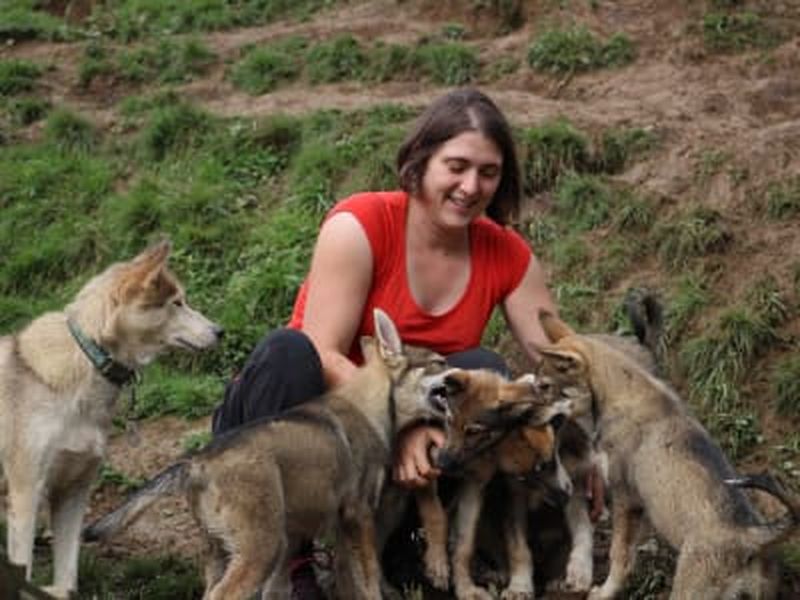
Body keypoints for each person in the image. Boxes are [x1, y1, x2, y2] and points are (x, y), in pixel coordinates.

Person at [211, 88, 602, 598]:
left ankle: (405, 545)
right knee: (290, 352)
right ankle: (290, 552)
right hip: (300, 418)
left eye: (488, 172)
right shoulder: (361, 225)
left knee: (483, 372)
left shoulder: (507, 254)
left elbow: (562, 363)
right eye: (456, 167)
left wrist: (594, 442)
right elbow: (324, 352)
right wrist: (407, 426)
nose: (471, 187)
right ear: (420, 162)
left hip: (391, 434)